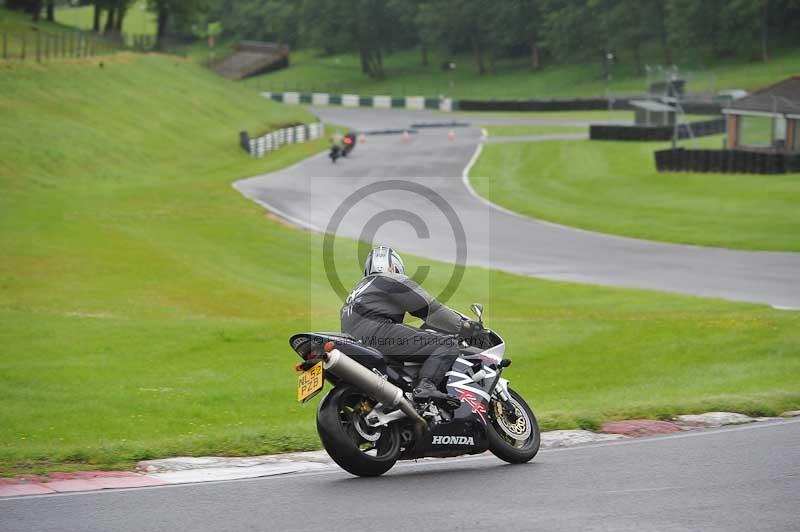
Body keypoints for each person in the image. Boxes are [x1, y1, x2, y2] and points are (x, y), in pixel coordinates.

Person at [340, 246, 481, 403]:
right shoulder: (391, 278)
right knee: (447, 343)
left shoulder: (355, 292)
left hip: (354, 343)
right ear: (394, 267)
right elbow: (430, 308)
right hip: (378, 332)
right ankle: (426, 386)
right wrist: (463, 326)